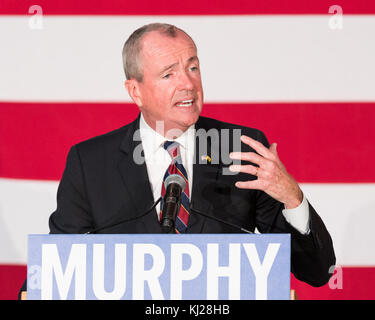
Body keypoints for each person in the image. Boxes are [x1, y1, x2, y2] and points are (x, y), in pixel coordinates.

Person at [19, 23, 335, 296]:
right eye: (169, 74)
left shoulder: (241, 147)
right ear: (135, 90)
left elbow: (316, 272)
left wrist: (293, 198)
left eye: (192, 68)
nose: (187, 83)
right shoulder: (90, 162)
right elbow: (59, 265)